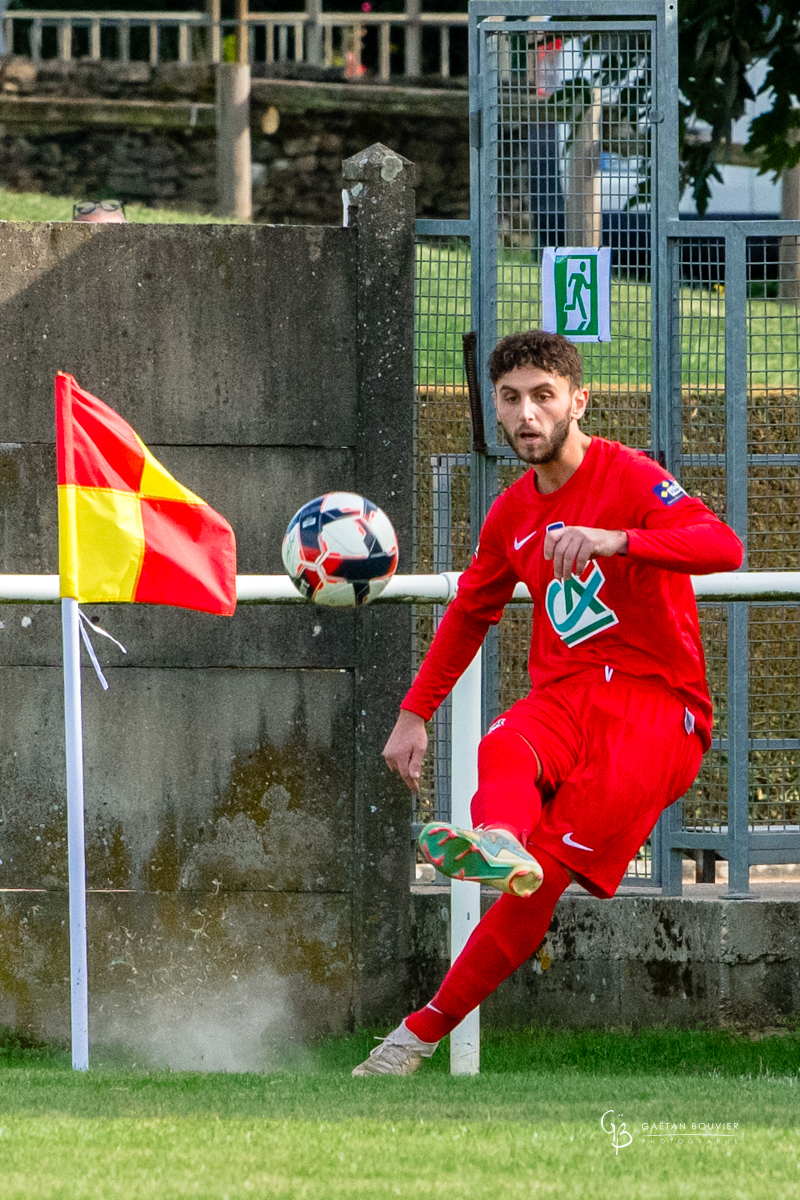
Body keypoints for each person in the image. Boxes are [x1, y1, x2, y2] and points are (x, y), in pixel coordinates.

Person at [352, 329, 744, 1077]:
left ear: (577, 402)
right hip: (566, 695)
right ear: (495, 410)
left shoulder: (630, 478)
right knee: (501, 744)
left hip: (659, 711)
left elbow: (723, 547)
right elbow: (471, 610)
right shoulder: (509, 516)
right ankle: (499, 840)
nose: (526, 414)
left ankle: (417, 1034)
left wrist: (618, 540)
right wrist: (413, 714)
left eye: (542, 396)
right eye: (510, 399)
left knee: (544, 884)